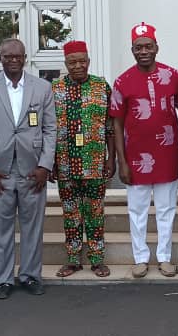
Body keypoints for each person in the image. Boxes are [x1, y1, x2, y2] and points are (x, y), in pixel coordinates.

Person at [0, 39, 57, 299]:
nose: (13, 60)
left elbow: (50, 129)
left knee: (33, 226)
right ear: (0, 58)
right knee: (0, 227)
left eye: (17, 56)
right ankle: (4, 279)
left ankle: (30, 275)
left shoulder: (42, 87)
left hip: (33, 170)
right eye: (7, 56)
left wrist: (45, 165)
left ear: (25, 58)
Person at [109, 22, 178, 278]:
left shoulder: (173, 75)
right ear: (132, 50)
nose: (143, 51)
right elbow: (116, 121)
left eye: (148, 46)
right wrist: (121, 161)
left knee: (167, 208)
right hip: (136, 158)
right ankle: (141, 258)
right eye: (138, 47)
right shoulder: (123, 81)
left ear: (157, 47)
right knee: (137, 209)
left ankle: (165, 257)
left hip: (167, 153)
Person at [50, 41, 115, 279]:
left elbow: (110, 127)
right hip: (65, 164)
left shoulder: (101, 86)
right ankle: (73, 259)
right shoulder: (54, 88)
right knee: (71, 214)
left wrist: (112, 159)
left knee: (95, 213)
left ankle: (97, 259)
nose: (77, 66)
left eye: (82, 61)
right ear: (66, 64)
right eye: (72, 62)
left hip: (95, 162)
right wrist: (50, 162)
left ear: (88, 61)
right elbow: (48, 129)